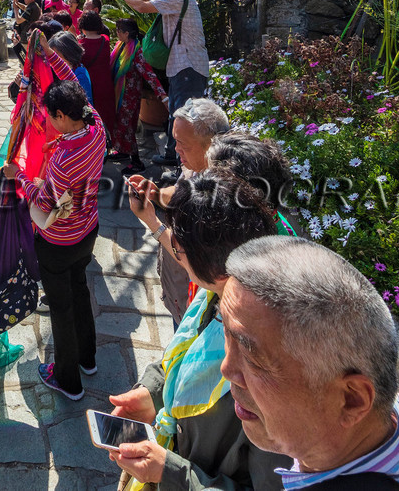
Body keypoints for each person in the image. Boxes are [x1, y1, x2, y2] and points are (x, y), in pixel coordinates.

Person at [220, 237, 399, 491]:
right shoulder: (386, 414)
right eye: (225, 331)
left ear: (352, 400)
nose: (226, 369)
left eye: (253, 358)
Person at [108, 172, 288, 491]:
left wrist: (171, 472)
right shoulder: (214, 296)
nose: (228, 370)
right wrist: (153, 392)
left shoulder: (275, 377)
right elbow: (185, 357)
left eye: (178, 246)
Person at [1, 72, 106, 400]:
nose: (49, 122)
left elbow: (43, 201)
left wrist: (19, 175)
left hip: (59, 241)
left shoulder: (63, 160)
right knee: (79, 290)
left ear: (62, 116)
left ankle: (67, 380)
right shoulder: (97, 129)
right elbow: (75, 85)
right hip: (88, 231)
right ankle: (87, 359)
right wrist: (49, 53)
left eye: (51, 117)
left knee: (61, 308)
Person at [126, 98, 231, 324]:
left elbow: (190, 261)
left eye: (183, 144)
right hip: (178, 290)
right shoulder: (197, 166)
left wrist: (152, 222)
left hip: (193, 303)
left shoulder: (215, 198)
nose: (176, 149)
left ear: (211, 146)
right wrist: (156, 194)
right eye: (175, 140)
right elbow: (181, 187)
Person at [107, 0, 209, 115]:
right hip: (182, 67)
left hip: (188, 67)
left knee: (184, 119)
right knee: (177, 117)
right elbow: (143, 0)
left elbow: (141, 7)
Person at [110, 18, 169, 168]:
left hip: (130, 97)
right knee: (119, 125)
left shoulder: (137, 52)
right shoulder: (120, 46)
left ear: (127, 33)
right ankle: (122, 151)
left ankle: (136, 162)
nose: (116, 33)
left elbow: (149, 74)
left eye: (119, 30)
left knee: (128, 127)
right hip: (119, 95)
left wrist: (162, 95)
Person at [76, 11, 117, 142]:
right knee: (107, 114)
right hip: (105, 82)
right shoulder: (105, 40)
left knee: (92, 114)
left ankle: (96, 143)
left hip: (89, 85)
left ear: (82, 25)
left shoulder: (80, 44)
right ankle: (110, 142)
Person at [47, 31, 92, 103]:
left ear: (68, 53)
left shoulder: (80, 74)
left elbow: (83, 105)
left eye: (56, 56)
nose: (52, 59)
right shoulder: (55, 72)